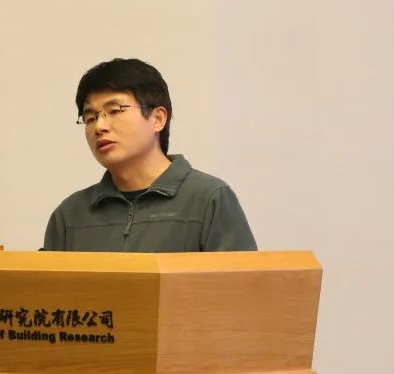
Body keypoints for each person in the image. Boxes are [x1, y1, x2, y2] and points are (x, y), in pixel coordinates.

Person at [43, 58, 257, 252]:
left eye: (115, 111)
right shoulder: (69, 215)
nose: (100, 126)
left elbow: (241, 281)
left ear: (158, 119)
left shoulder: (208, 199)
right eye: (90, 118)